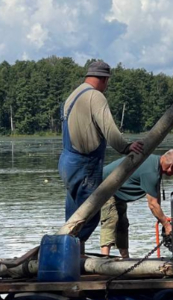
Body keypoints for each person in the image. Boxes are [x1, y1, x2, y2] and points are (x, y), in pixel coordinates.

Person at [58, 61, 144, 246]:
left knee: (74, 217)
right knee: (89, 215)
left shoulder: (73, 96)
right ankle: (69, 252)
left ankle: (72, 256)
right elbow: (109, 129)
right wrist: (126, 147)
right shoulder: (95, 96)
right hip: (84, 165)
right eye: (107, 82)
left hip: (67, 162)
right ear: (104, 79)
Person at [100, 150, 173, 258]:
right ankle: (104, 259)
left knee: (123, 223)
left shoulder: (156, 165)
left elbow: (156, 198)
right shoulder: (151, 172)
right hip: (104, 185)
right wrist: (166, 225)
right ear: (172, 166)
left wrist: (163, 218)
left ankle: (125, 258)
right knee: (111, 219)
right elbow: (152, 204)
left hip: (118, 190)